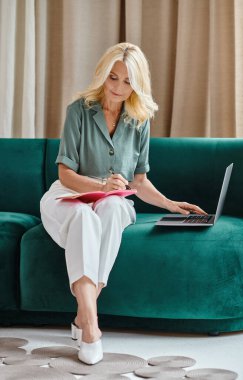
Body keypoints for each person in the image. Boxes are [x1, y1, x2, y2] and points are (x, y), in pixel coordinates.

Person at [40, 42, 206, 365]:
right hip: (67, 197)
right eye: (113, 77)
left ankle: (83, 316)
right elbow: (65, 173)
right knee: (84, 218)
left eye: (127, 81)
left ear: (137, 85)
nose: (117, 88)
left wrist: (172, 204)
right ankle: (91, 325)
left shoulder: (139, 120)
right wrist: (101, 184)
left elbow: (139, 181)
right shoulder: (79, 111)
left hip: (110, 202)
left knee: (116, 208)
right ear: (103, 73)